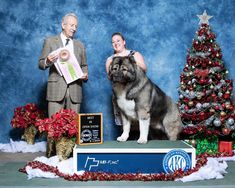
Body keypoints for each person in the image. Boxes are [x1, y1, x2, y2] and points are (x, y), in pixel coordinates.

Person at [39, 13, 88, 117]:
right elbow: (40, 64)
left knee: (73, 128)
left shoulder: (80, 45)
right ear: (63, 25)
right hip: (56, 90)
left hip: (75, 90)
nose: (74, 28)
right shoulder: (50, 41)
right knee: (53, 126)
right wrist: (47, 61)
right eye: (71, 25)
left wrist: (85, 74)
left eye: (76, 26)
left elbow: (84, 65)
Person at [105, 32, 147, 126]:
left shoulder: (134, 54)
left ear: (124, 42)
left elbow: (144, 69)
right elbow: (110, 77)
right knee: (125, 122)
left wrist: (132, 61)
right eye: (113, 42)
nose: (116, 43)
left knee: (140, 120)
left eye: (118, 40)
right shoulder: (110, 60)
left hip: (137, 92)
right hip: (120, 94)